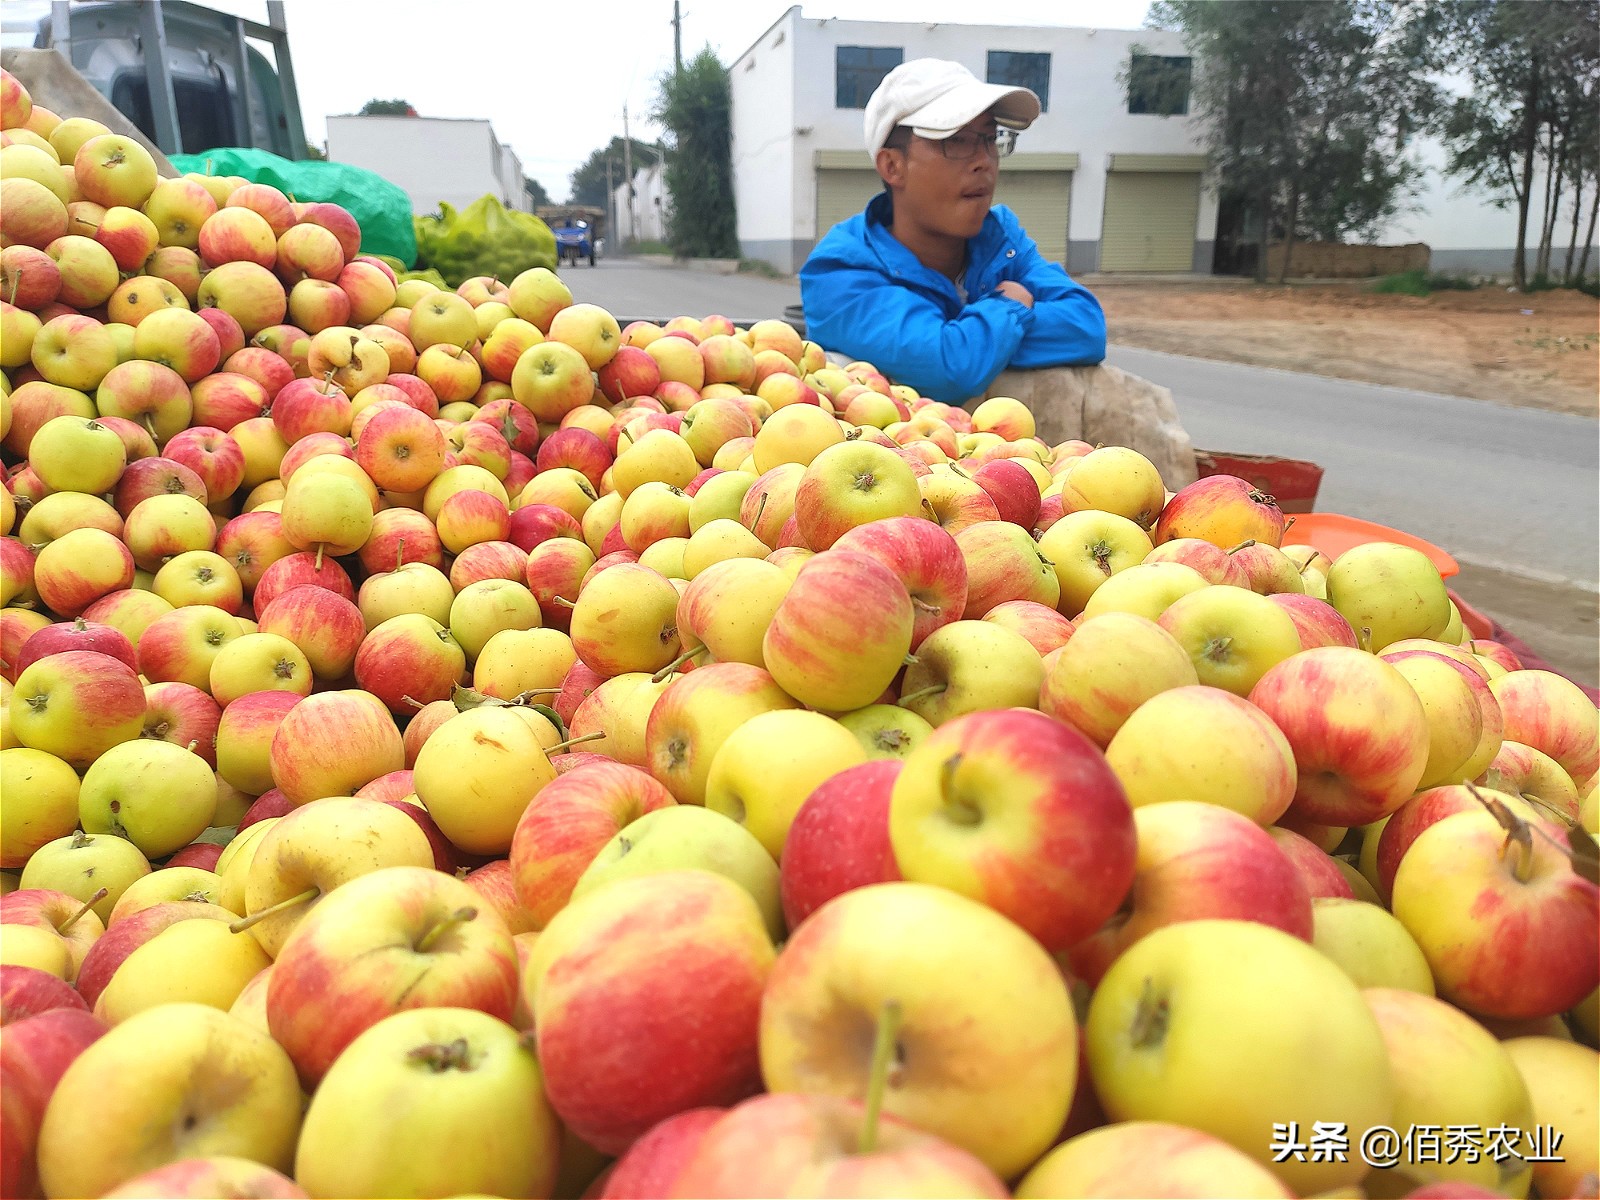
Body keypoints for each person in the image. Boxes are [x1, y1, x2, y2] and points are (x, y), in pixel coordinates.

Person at [799, 58, 1107, 404]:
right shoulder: (839, 272)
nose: (984, 160)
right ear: (892, 166)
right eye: (957, 140)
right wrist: (1009, 306)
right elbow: (949, 369)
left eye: (990, 139)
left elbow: (1086, 326)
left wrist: (965, 335)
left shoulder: (1001, 239)